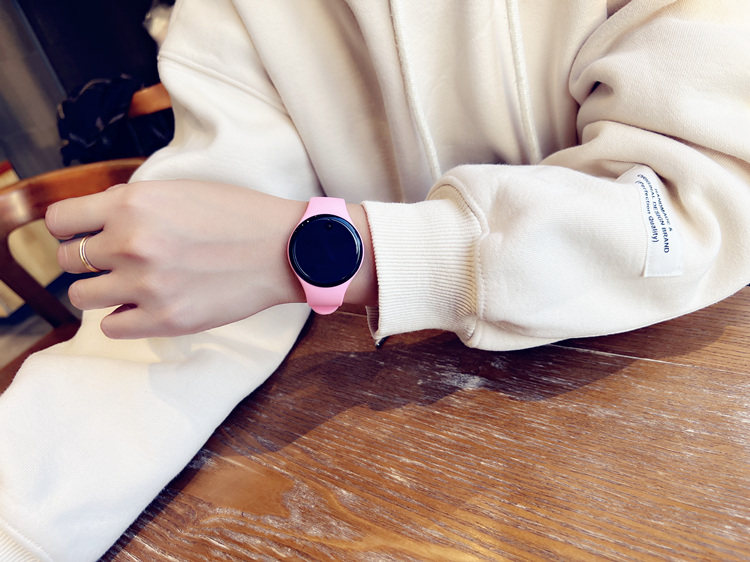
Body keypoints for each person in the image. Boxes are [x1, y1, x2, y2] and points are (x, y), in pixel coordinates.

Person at [2, 0, 749, 559]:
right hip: (414, 457)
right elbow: (195, 288)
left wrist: (337, 249)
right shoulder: (237, 14)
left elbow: (694, 202)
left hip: (678, 419)